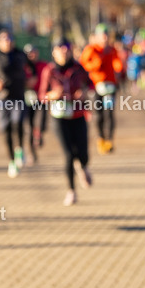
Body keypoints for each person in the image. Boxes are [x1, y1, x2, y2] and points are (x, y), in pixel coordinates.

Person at [39, 38, 93, 205]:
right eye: (59, 49)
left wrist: (83, 92)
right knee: (69, 154)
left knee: (83, 153)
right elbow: (41, 96)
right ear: (54, 52)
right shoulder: (50, 71)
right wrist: (51, 95)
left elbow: (90, 85)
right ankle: (71, 191)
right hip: (59, 117)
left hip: (77, 115)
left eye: (66, 48)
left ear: (70, 51)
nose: (63, 52)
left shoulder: (78, 68)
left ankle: (83, 166)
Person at [0, 29, 29, 177]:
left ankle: (20, 150)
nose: (7, 42)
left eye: (10, 39)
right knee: (5, 128)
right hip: (2, 98)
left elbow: (32, 69)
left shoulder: (20, 55)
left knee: (17, 122)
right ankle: (11, 160)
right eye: (4, 39)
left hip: (18, 95)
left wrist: (32, 80)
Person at [81, 23, 124, 154]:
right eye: (102, 35)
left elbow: (118, 63)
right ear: (97, 36)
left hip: (110, 86)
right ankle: (101, 138)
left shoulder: (112, 49)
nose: (105, 37)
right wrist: (97, 63)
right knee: (98, 115)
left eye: (106, 35)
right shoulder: (91, 49)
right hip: (95, 87)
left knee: (109, 113)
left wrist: (119, 69)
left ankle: (109, 140)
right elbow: (84, 64)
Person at [23, 43, 47, 164]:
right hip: (27, 100)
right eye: (29, 53)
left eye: (34, 52)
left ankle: (39, 134)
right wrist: (27, 83)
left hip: (41, 98)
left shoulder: (43, 65)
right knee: (29, 125)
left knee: (41, 119)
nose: (32, 55)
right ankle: (31, 152)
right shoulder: (23, 67)